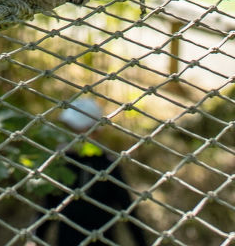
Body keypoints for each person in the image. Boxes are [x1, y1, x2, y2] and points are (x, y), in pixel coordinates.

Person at [39, 97, 153, 246]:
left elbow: (128, 209)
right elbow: (48, 205)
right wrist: (35, 237)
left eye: (79, 129)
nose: (73, 134)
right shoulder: (62, 163)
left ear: (96, 131)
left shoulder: (107, 165)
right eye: (69, 128)